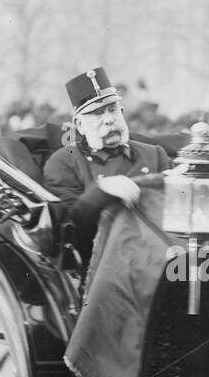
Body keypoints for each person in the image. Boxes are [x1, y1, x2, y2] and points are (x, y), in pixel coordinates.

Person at [41, 67, 174, 268]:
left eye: (112, 110)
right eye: (96, 114)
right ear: (79, 125)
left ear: (122, 113)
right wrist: (102, 190)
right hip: (104, 266)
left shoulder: (154, 154)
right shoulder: (64, 162)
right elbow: (71, 233)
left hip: (162, 257)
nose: (109, 119)